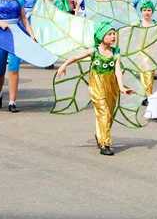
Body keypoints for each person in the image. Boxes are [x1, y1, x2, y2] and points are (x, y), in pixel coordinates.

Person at [57, 22, 134, 156]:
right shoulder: (94, 51)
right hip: (96, 87)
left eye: (113, 34)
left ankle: (100, 134)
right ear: (101, 36)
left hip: (112, 88)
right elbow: (76, 57)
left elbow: (118, 71)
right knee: (103, 112)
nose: (113, 36)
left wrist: (121, 87)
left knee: (109, 115)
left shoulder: (116, 52)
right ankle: (105, 144)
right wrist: (64, 65)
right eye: (109, 34)